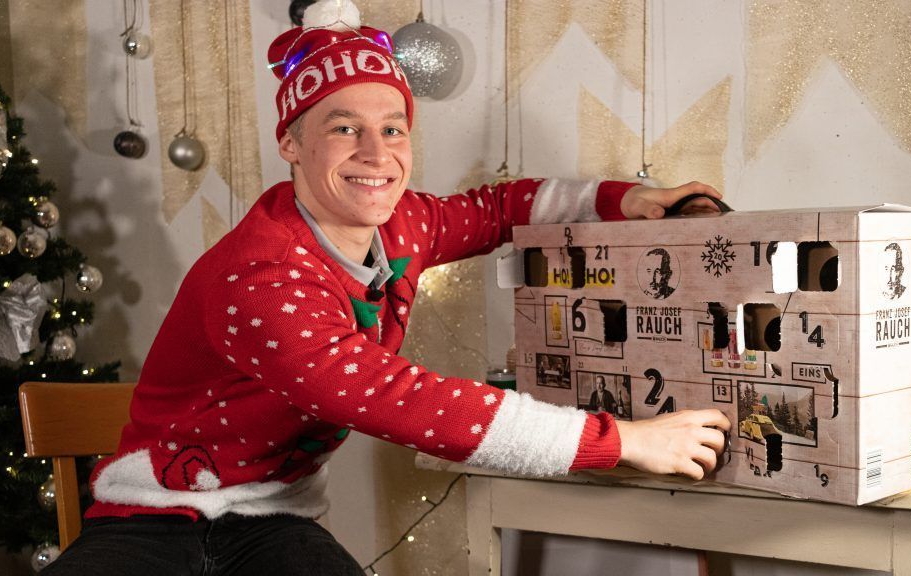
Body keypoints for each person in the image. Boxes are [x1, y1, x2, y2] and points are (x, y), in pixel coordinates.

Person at [45, 2, 729, 574]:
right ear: (291, 143)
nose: (376, 154)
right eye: (344, 128)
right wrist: (622, 441)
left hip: (273, 521)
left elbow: (500, 209)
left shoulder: (405, 224)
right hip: (152, 518)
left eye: (392, 129)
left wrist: (623, 199)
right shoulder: (262, 275)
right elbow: (406, 403)